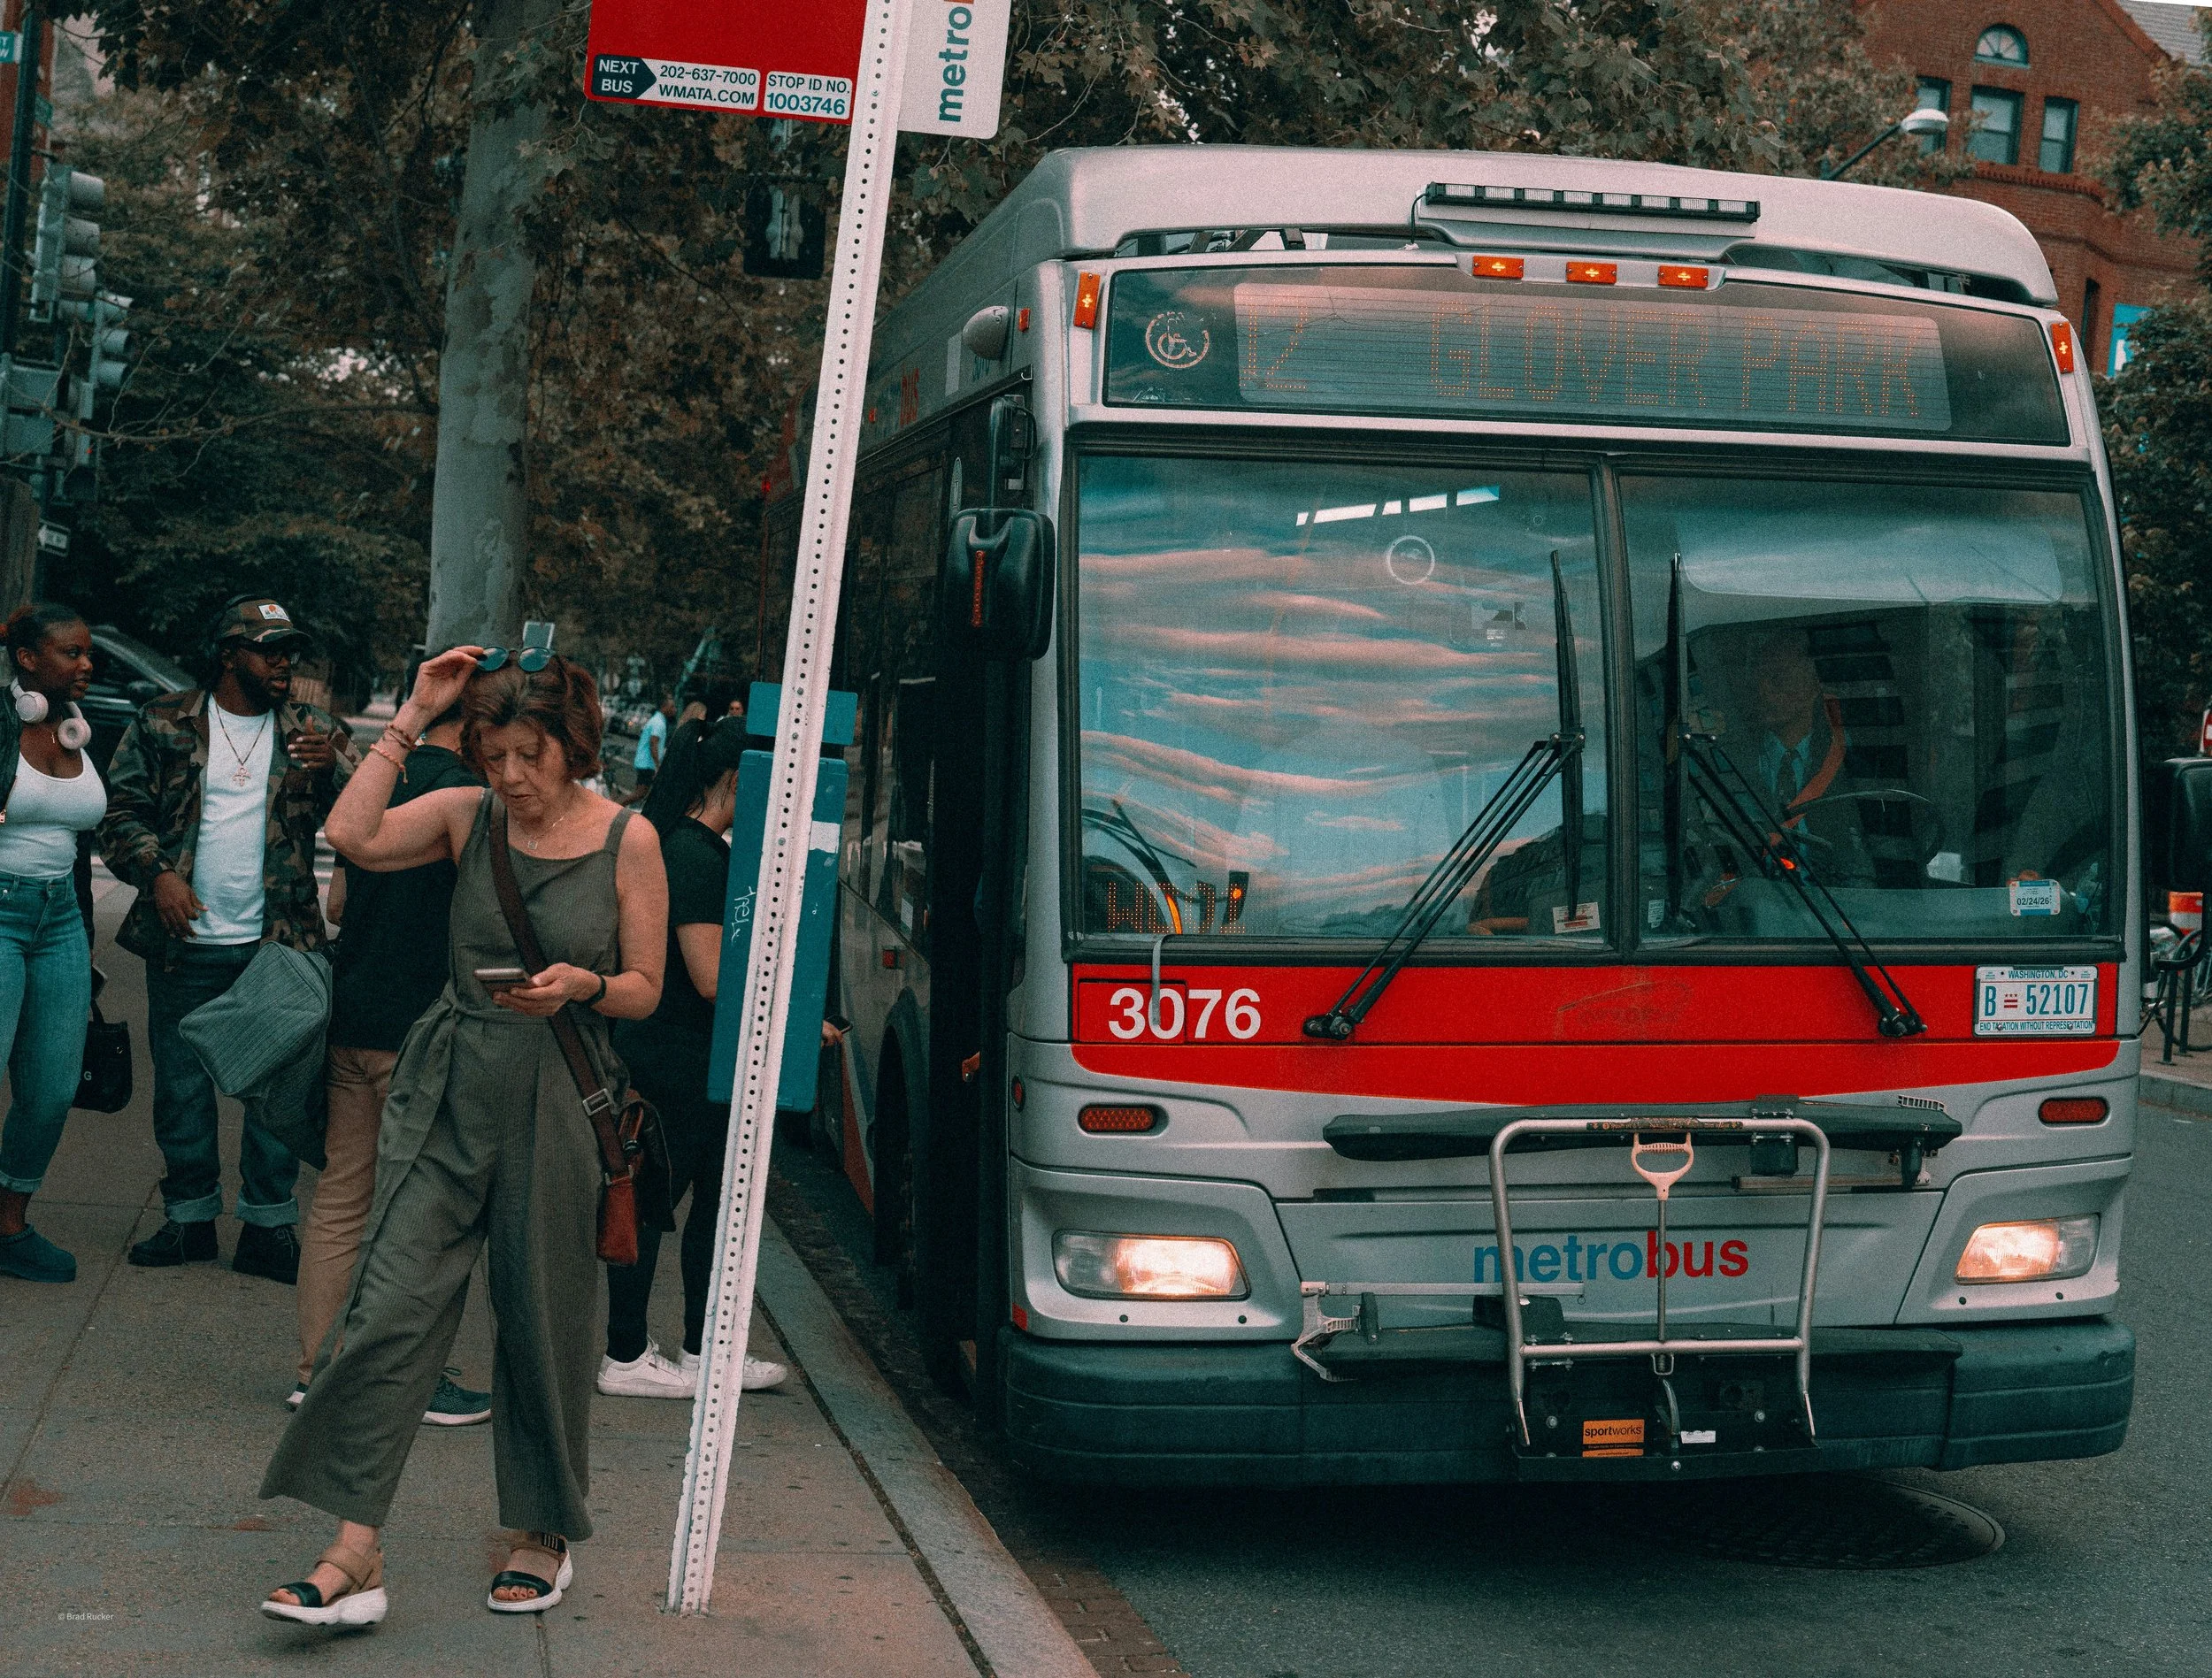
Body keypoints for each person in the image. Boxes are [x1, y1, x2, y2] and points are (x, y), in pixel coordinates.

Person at [259, 645, 667, 1628]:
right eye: (494, 754)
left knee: (540, 1319)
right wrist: (411, 716)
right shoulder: (465, 813)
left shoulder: (630, 839)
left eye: (531, 754)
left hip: (559, 1094)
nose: (511, 776)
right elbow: (352, 834)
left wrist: (584, 985)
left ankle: (541, 1532)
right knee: (389, 1306)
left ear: (574, 744)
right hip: (447, 1085)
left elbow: (647, 989)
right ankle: (354, 1548)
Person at [96, 595, 357, 1281]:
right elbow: (118, 814)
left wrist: (332, 770)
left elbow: (365, 822)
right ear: (228, 654)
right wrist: (157, 874)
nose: (283, 663)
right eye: (269, 650)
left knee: (279, 1089)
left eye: (289, 651)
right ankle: (189, 1220)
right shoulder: (164, 721)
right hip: (185, 939)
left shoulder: (314, 729)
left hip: (280, 940)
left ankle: (268, 1228)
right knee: (182, 1087)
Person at [290, 694, 490, 1424]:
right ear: (477, 725)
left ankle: (317, 1371)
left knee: (341, 1200)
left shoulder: (378, 783)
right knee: (418, 1214)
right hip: (424, 1031)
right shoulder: (472, 802)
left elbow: (339, 902)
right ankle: (407, 1379)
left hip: (354, 1015)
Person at [598, 716, 786, 1398]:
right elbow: (709, 976)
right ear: (735, 779)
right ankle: (626, 1354)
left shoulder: (686, 845)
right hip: (675, 1061)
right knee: (654, 1206)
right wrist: (787, 1006)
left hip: (682, 1056)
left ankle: (703, 1349)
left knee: (711, 1205)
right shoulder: (694, 855)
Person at [0, 606, 104, 1283]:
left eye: (88, 652)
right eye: (71, 652)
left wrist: (85, 934)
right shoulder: (3, 722)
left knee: (52, 1087)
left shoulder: (76, 728)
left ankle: (8, 1224)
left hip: (59, 918)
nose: (86, 664)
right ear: (28, 659)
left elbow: (79, 845)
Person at [630, 693, 673, 803]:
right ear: (664, 707)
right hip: (647, 764)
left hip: (645, 762)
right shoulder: (659, 723)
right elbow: (653, 744)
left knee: (646, 793)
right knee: (639, 793)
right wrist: (657, 766)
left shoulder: (657, 720)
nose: (675, 710)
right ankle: (615, 807)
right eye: (672, 707)